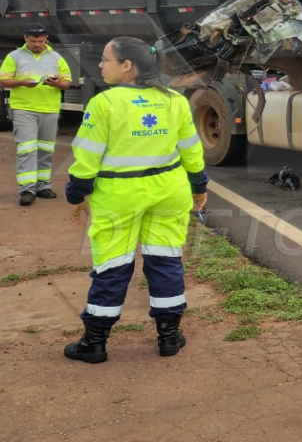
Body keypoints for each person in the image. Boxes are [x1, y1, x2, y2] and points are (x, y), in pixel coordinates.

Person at [63, 36, 208, 363]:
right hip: (169, 191)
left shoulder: (105, 103)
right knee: (166, 261)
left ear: (127, 66)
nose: (101, 65)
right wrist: (199, 185)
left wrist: (76, 196)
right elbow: (191, 151)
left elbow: (86, 159)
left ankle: (95, 342)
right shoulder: (175, 100)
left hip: (119, 196)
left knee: (112, 266)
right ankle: (169, 337)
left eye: (105, 59)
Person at [0, 23, 71, 206]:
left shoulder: (56, 57)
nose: (37, 44)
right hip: (24, 108)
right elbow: (3, 80)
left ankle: (43, 186)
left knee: (46, 150)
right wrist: (22, 82)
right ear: (25, 39)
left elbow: (67, 82)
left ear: (46, 38)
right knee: (27, 149)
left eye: (40, 41)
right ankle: (27, 190)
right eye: (33, 41)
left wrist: (56, 83)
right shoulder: (14, 56)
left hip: (50, 109)